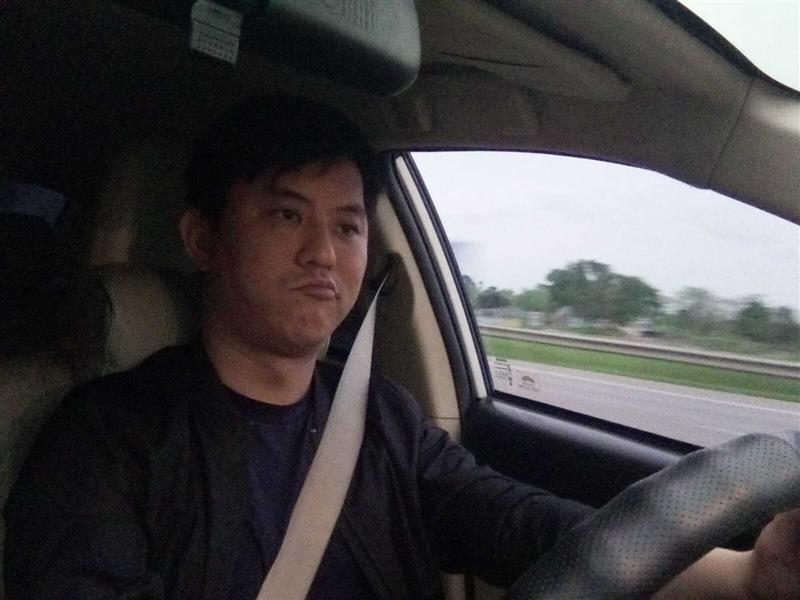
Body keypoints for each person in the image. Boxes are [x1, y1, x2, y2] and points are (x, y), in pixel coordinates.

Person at [4, 95, 799, 599]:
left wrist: (744, 575)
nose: (324, 253)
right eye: (286, 215)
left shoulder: (383, 421)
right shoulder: (106, 437)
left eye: (348, 225)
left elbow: (525, 526)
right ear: (203, 239)